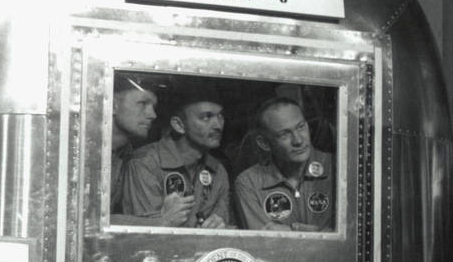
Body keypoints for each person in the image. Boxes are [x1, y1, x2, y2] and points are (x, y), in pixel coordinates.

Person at [122, 79, 230, 228]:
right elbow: (141, 235)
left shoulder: (218, 172)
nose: (218, 125)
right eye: (206, 117)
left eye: (220, 116)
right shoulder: (145, 163)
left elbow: (224, 226)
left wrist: (219, 225)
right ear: (179, 125)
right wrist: (162, 220)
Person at [234, 96, 335, 231]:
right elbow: (265, 243)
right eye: (284, 134)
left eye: (300, 127)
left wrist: (291, 230)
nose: (298, 140)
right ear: (264, 143)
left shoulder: (336, 168)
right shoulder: (249, 183)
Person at [110, 74, 158, 220]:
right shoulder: (85, 151)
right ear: (113, 105)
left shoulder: (128, 154)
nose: (153, 115)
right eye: (143, 104)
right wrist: (161, 222)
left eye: (153, 107)